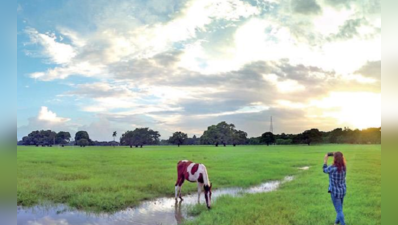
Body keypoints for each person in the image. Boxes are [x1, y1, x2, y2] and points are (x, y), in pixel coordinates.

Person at [323, 152, 347, 225]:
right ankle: (336, 222)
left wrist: (325, 160)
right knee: (339, 209)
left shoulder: (332, 167)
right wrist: (336, 154)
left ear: (335, 158)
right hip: (342, 191)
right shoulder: (344, 167)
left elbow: (324, 170)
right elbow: (339, 158)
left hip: (335, 192)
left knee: (339, 210)